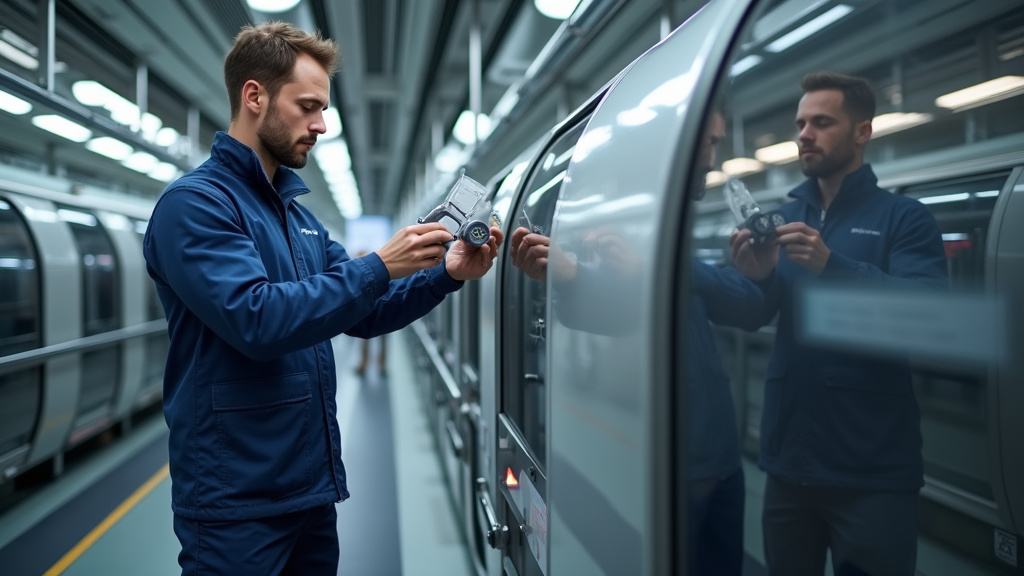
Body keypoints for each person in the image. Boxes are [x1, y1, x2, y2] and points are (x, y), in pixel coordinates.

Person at [143, 22, 501, 575]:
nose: (322, 124)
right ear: (254, 96)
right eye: (308, 106)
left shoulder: (298, 219)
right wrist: (378, 264)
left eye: (324, 108)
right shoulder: (195, 207)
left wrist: (445, 275)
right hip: (236, 502)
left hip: (310, 489)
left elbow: (368, 309)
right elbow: (257, 320)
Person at [509, 109, 763, 576]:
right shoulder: (627, 215)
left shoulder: (672, 221)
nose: (712, 158)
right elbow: (609, 314)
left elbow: (743, 306)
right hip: (675, 454)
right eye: (705, 144)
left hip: (716, 449)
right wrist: (572, 276)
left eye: (716, 143)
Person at [729, 72, 947, 576]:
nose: (804, 133)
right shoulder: (782, 219)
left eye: (822, 122)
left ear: (862, 131)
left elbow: (929, 313)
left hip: (871, 471)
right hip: (789, 462)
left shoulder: (904, 218)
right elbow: (753, 316)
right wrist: (757, 279)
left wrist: (836, 266)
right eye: (801, 123)